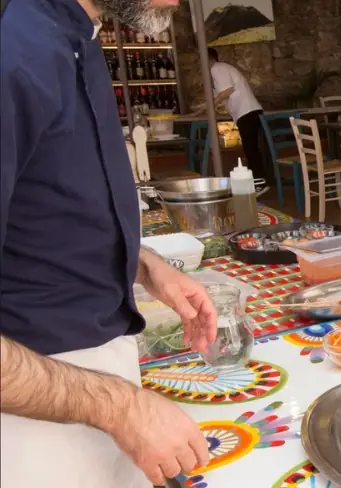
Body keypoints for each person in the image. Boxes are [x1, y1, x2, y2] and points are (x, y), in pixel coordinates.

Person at [0, 0, 217, 486]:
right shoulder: (11, 51)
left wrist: (142, 263)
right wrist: (119, 406)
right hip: (30, 423)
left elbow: (46, 211)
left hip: (97, 392)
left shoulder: (77, 36)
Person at [198, 48, 268, 180]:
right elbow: (220, 96)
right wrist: (203, 108)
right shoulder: (220, 71)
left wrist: (209, 105)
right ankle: (263, 180)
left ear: (208, 59)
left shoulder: (217, 68)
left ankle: (260, 181)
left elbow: (227, 91)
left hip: (247, 111)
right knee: (253, 149)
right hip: (248, 111)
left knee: (251, 150)